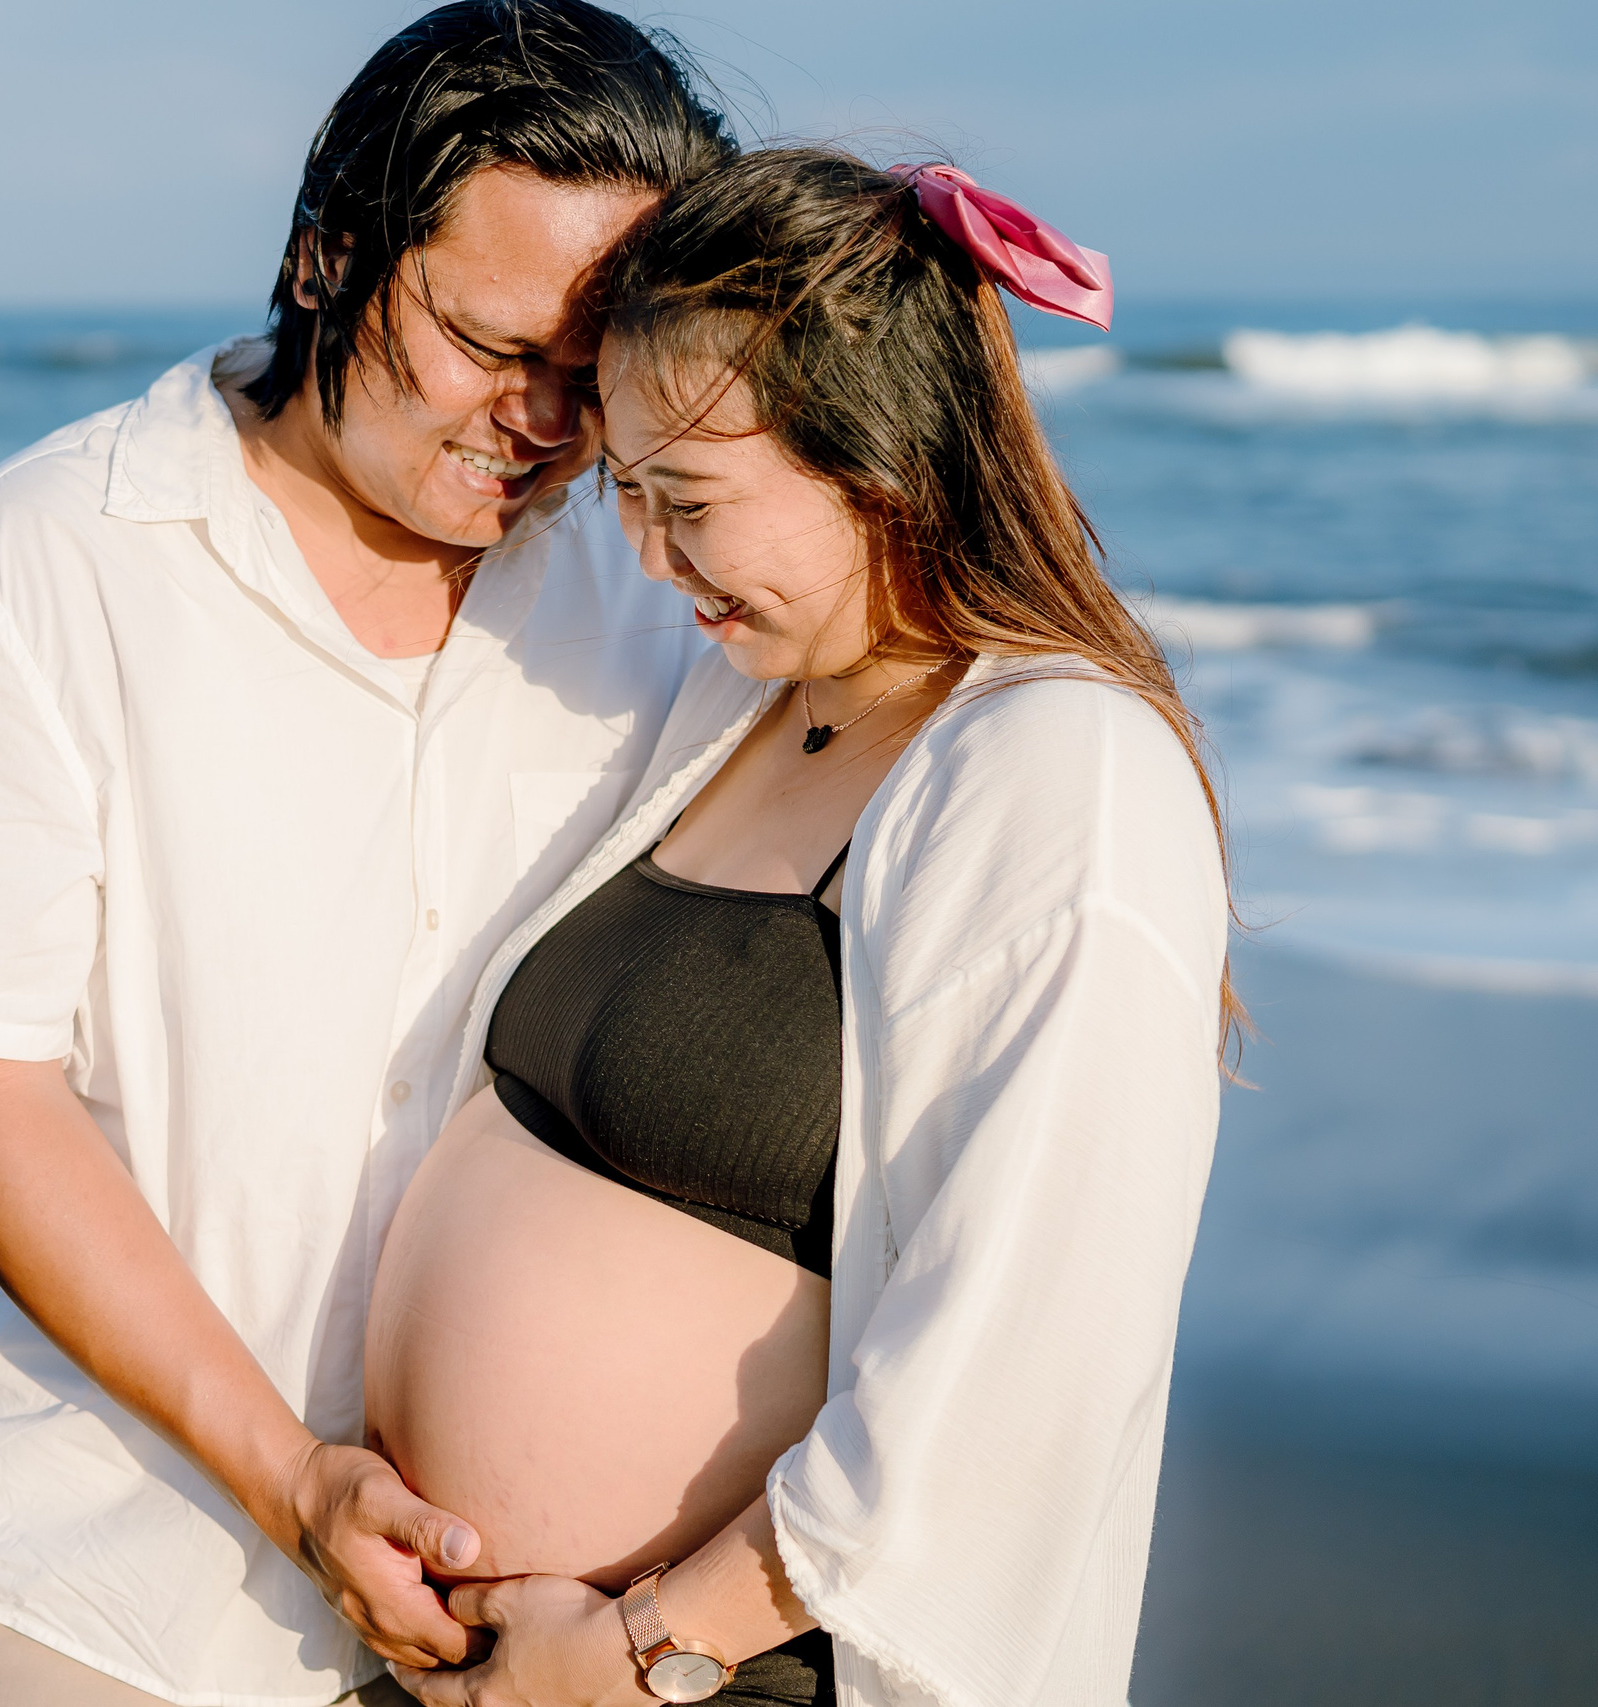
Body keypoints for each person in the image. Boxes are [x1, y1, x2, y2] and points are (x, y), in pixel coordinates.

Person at [0, 5, 731, 1703]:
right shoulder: (29, 574)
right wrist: (295, 1483)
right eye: (485, 343)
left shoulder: (662, 588)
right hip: (120, 1595)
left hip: (542, 1625)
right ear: (328, 255)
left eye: (590, 367)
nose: (541, 421)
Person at [365, 148, 1234, 1707]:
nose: (649, 556)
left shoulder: (1058, 770)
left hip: (730, 1675)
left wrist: (646, 1652)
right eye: (627, 493)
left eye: (689, 501)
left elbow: (1034, 1344)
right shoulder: (746, 699)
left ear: (882, 456)